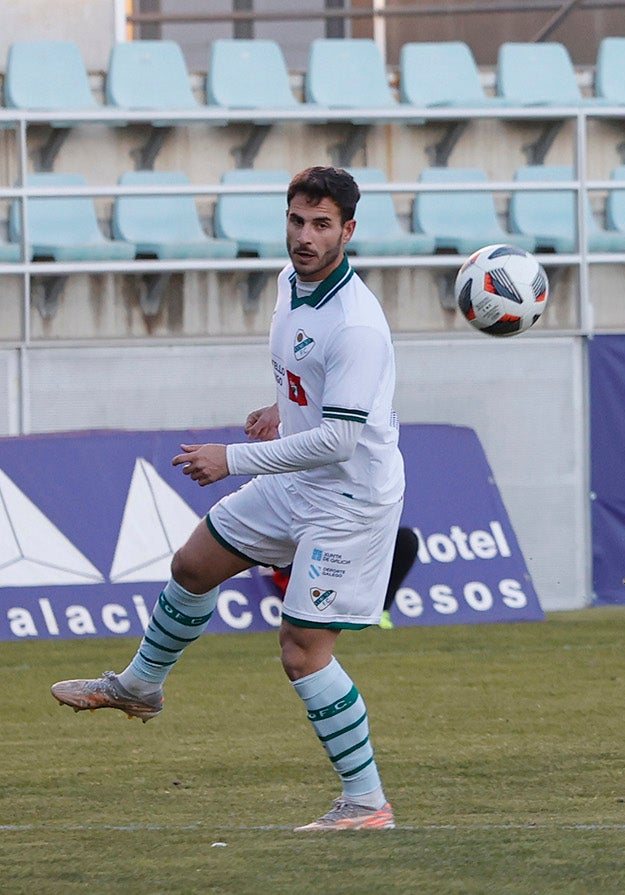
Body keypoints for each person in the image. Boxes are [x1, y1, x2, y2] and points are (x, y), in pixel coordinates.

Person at [51, 166, 406, 832]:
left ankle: (366, 803)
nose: (305, 236)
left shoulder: (357, 324)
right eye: (297, 220)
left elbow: (339, 440)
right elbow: (309, 386)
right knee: (193, 565)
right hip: (295, 480)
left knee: (302, 651)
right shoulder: (289, 283)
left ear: (348, 231)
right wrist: (281, 406)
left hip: (348, 501)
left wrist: (231, 459)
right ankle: (140, 686)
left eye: (321, 224)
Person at [250, 401, 420, 630]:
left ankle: (380, 611)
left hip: (349, 526)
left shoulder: (365, 448)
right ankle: (317, 606)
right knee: (300, 653)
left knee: (406, 540)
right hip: (312, 530)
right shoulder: (311, 435)